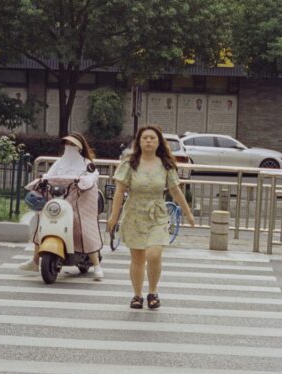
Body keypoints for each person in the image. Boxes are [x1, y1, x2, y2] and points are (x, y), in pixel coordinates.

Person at [107, 125, 195, 309]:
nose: (148, 141)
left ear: (158, 142)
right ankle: (137, 295)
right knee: (137, 258)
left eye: (152, 138)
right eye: (145, 138)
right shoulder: (129, 163)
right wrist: (113, 217)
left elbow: (175, 190)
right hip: (134, 214)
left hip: (157, 214)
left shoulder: (165, 164)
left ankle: (153, 291)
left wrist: (187, 212)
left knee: (153, 254)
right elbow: (120, 190)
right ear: (139, 141)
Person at [21, 133, 104, 280]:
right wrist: (42, 181)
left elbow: (93, 177)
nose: (69, 147)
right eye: (66, 144)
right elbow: (48, 175)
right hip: (58, 201)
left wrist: (86, 182)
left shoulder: (86, 164)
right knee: (42, 221)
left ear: (79, 147)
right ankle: (35, 260)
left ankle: (97, 265)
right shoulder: (59, 163)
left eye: (72, 144)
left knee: (82, 225)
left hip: (79, 203)